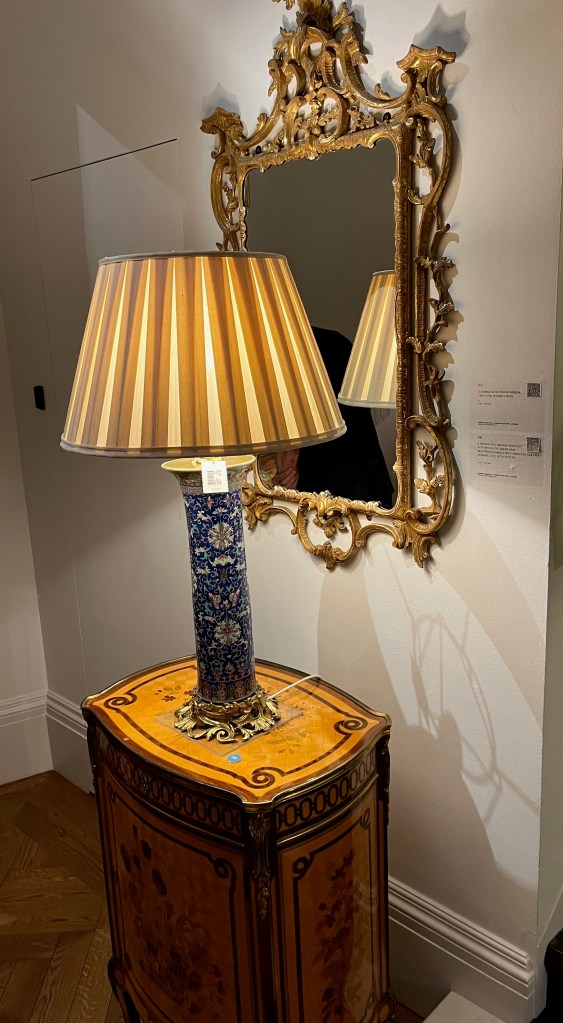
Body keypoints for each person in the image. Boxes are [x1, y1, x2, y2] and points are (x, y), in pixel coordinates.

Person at [274, 325, 394, 506]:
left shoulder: (292, 349)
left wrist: (288, 468)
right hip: (369, 475)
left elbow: (296, 416)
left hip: (325, 483)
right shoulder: (333, 340)